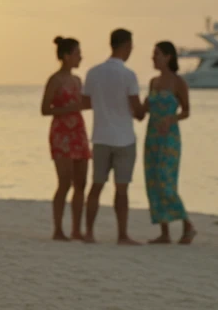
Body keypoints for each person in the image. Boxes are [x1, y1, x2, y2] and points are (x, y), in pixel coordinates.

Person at [83, 28, 145, 245]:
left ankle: (89, 233)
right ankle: (122, 235)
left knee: (96, 186)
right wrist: (145, 107)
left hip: (100, 136)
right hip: (124, 139)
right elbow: (138, 112)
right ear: (126, 46)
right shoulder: (129, 75)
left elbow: (85, 102)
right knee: (122, 189)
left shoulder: (93, 72)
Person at [144, 41, 195, 244]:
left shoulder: (178, 82)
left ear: (168, 57)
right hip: (152, 134)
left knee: (166, 182)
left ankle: (187, 224)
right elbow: (145, 108)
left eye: (157, 54)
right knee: (153, 181)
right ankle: (164, 232)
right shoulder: (153, 82)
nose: (153, 58)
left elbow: (186, 111)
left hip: (169, 137)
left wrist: (170, 119)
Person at [42, 36, 91, 241]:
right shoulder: (55, 80)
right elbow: (45, 109)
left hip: (79, 132)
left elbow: (86, 103)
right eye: (78, 53)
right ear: (66, 55)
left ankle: (76, 229)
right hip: (61, 133)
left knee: (81, 183)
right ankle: (58, 229)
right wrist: (70, 108)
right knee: (65, 182)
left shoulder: (78, 80)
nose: (81, 57)